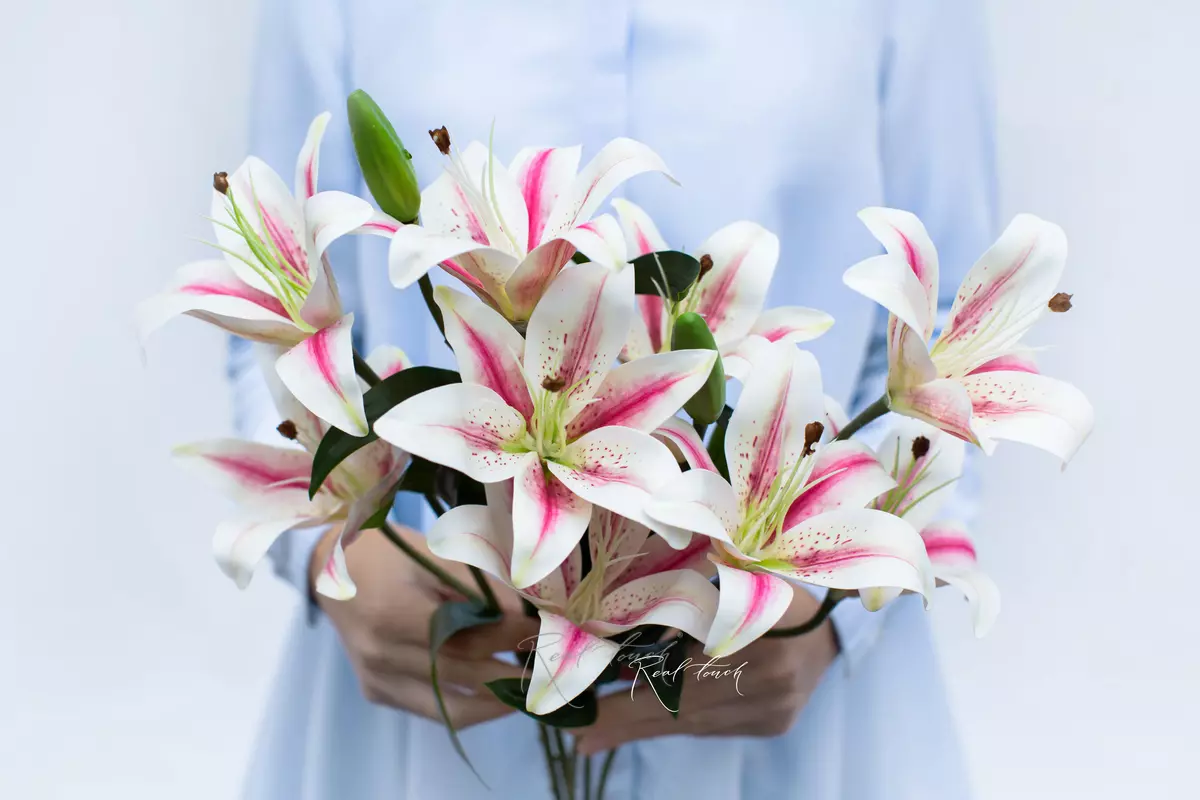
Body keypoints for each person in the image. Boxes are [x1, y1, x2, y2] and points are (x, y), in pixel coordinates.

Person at [229, 1, 996, 797]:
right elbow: (273, 309)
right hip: (431, 677)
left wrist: (834, 614)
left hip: (786, 694)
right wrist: (335, 555)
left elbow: (946, 323)